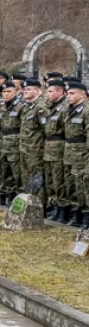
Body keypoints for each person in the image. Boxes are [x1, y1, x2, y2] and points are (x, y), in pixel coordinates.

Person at [43, 78, 69, 222]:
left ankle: (62, 209)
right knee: (50, 180)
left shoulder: (65, 107)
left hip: (59, 148)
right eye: (47, 91)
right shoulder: (50, 107)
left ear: (60, 92)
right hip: (48, 147)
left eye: (51, 91)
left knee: (59, 180)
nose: (48, 94)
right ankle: (54, 205)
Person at [63, 82, 89, 228]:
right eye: (67, 94)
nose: (68, 96)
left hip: (82, 154)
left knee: (82, 185)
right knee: (71, 184)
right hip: (69, 152)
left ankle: (86, 215)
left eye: (72, 93)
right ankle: (75, 212)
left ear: (82, 94)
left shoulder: (86, 110)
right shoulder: (69, 110)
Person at [19, 78, 47, 212]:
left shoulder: (40, 108)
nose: (25, 91)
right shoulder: (26, 107)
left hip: (35, 150)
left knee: (37, 178)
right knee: (26, 177)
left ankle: (39, 207)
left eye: (29, 89)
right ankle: (29, 204)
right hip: (24, 149)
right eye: (24, 89)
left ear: (37, 91)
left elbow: (46, 130)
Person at [0, 83, 24, 202]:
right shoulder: (1, 106)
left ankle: (18, 195)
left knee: (17, 172)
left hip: (15, 144)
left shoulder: (20, 106)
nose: (6, 94)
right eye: (4, 92)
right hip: (4, 143)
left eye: (9, 91)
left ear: (15, 92)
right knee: (5, 171)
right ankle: (9, 193)